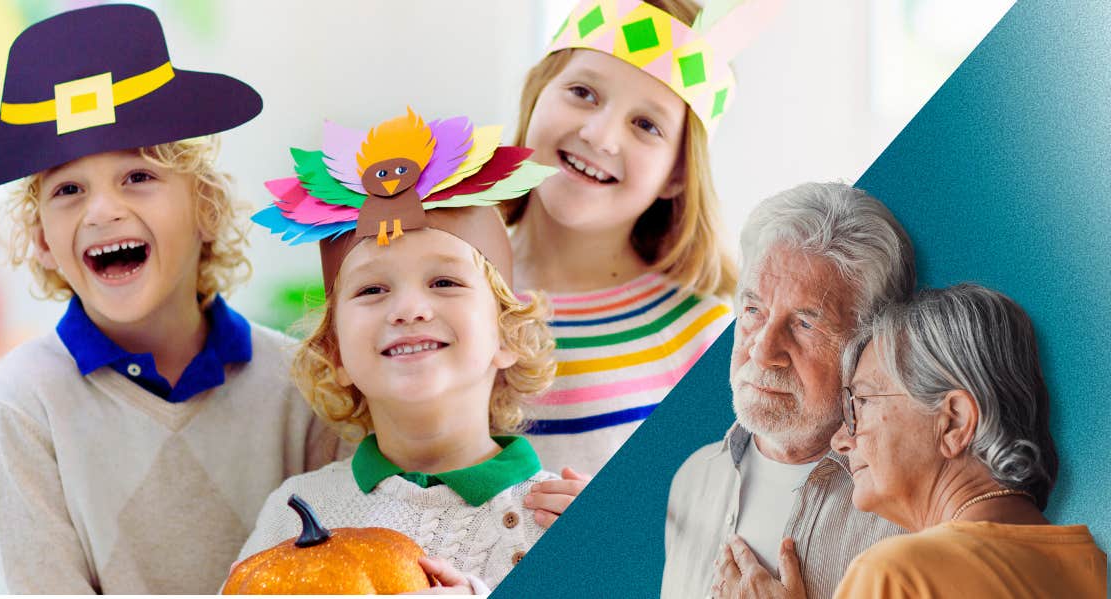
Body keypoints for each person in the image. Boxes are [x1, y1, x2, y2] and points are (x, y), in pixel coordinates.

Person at [0, 5, 344, 593]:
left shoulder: (299, 387)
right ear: (42, 241)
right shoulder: (27, 401)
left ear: (206, 208)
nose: (102, 210)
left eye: (138, 177)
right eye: (69, 190)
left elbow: (333, 573)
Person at [238, 112, 559, 592]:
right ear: (336, 353)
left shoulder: (562, 516)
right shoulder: (293, 513)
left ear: (508, 334)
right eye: (372, 290)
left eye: (444, 281)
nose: (408, 309)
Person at [502, 0, 780, 475]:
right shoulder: (435, 277)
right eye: (583, 92)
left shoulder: (706, 344)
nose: (601, 135)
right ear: (535, 96)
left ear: (677, 174)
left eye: (646, 125)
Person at [664, 182, 915, 599]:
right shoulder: (691, 479)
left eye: (805, 324)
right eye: (752, 311)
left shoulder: (908, 520)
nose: (763, 351)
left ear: (868, 348)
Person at [825, 284, 1107, 598]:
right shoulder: (1095, 569)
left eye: (861, 402)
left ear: (955, 422)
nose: (840, 440)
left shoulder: (895, 577)